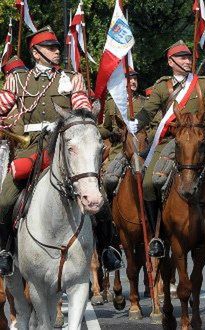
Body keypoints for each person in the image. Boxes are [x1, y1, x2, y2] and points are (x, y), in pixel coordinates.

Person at [0, 26, 121, 274]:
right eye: (50, 48)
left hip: (66, 147)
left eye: (57, 48)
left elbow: (83, 108)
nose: (57, 52)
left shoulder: (71, 78)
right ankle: (6, 251)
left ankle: (107, 249)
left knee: (100, 199)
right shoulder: (18, 80)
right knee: (4, 200)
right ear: (35, 53)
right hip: (31, 147)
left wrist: (85, 112)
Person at [130, 40, 205, 257]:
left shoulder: (202, 84)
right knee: (149, 182)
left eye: (188, 57)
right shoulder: (161, 87)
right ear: (171, 62)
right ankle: (158, 235)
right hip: (171, 141)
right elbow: (148, 112)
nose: (187, 61)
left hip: (202, 138)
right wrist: (134, 123)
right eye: (182, 58)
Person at [100, 70, 147, 195]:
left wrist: (145, 137)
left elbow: (155, 126)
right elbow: (106, 127)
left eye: (135, 79)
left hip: (140, 151)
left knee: (149, 183)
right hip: (118, 151)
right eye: (129, 78)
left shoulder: (145, 102)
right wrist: (108, 133)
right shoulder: (111, 102)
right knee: (107, 181)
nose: (133, 81)